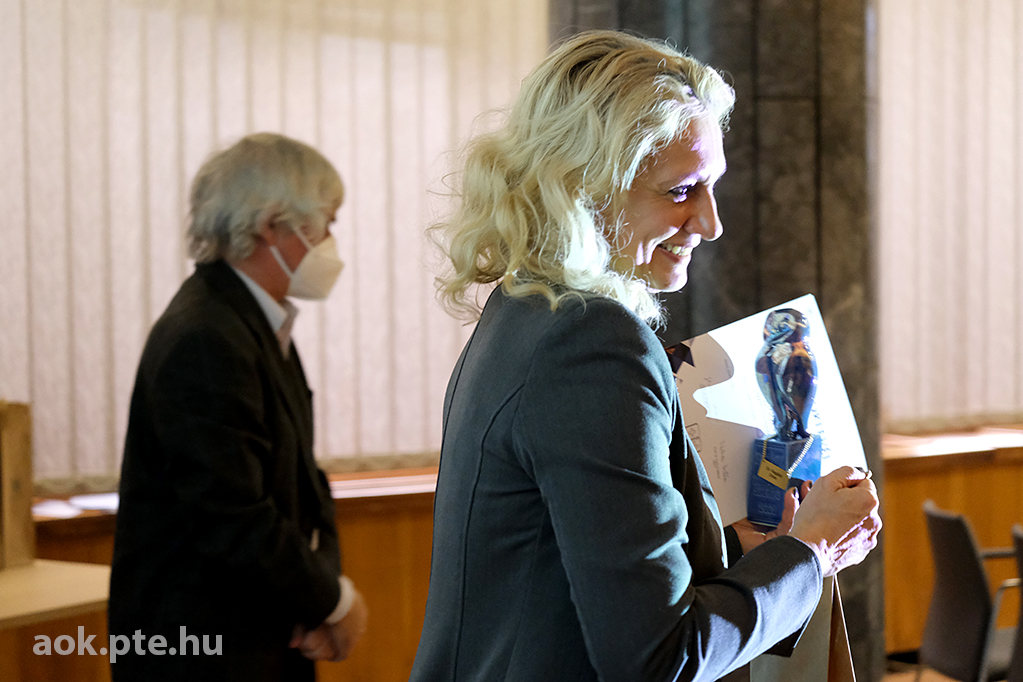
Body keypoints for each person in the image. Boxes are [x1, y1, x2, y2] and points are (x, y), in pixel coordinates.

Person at [409, 30, 881, 682]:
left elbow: (573, 569)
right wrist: (812, 551)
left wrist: (736, 549)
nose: (710, 223)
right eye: (681, 190)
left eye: (711, 186)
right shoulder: (590, 344)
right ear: (581, 188)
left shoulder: (523, 310)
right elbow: (658, 659)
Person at [109, 132, 368, 681]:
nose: (331, 241)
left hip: (265, 639)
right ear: (272, 226)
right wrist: (334, 602)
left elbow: (306, 485)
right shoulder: (205, 336)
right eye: (326, 223)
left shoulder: (256, 324)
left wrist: (321, 596)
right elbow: (232, 515)